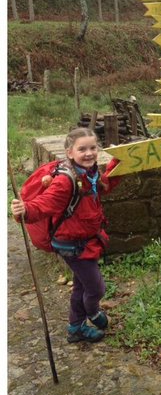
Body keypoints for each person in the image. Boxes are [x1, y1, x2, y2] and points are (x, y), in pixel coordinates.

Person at [11, 128, 120, 343]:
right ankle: (92, 312)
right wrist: (26, 210)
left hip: (85, 241)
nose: (89, 153)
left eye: (93, 148)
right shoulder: (65, 181)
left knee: (81, 285)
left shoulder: (89, 173)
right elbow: (45, 204)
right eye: (82, 149)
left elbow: (104, 185)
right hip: (72, 245)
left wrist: (120, 163)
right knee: (96, 287)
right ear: (70, 153)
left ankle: (75, 328)